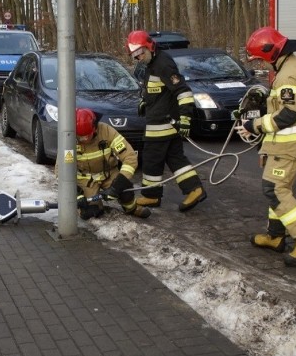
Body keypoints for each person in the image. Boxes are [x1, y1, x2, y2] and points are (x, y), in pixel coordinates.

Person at [235, 26, 296, 266]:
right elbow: (283, 102)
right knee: (279, 189)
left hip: (288, 145)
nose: (260, 63)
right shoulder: (293, 64)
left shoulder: (288, 75)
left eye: (261, 58)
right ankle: (275, 236)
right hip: (286, 144)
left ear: (271, 52)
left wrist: (255, 125)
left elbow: (287, 115)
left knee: (274, 189)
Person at [125, 30, 206, 212]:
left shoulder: (163, 63)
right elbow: (157, 90)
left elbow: (182, 91)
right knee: (176, 158)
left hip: (163, 125)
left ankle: (151, 196)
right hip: (160, 122)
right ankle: (194, 189)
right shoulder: (152, 64)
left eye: (140, 54)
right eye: (134, 56)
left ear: (149, 47)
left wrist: (185, 118)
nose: (138, 58)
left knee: (151, 158)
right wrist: (145, 101)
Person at [61, 108, 151, 220]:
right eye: (80, 137)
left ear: (94, 127)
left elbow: (130, 157)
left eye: (86, 136)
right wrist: (76, 194)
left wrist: (118, 185)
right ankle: (91, 207)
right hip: (85, 179)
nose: (83, 139)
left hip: (109, 173)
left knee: (125, 191)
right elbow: (60, 170)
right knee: (90, 212)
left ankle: (132, 208)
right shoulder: (68, 137)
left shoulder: (106, 131)